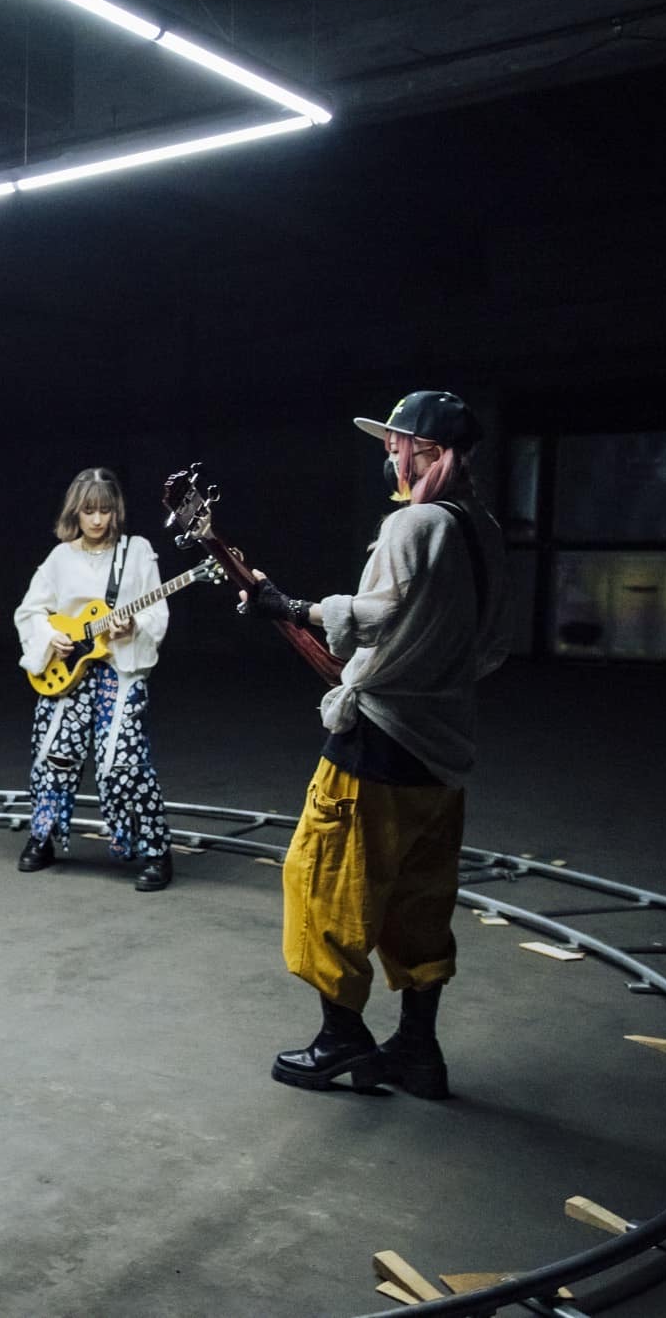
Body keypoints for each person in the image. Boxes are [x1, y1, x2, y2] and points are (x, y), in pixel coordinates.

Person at [242, 391, 507, 1097]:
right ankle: (418, 1049)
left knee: (321, 882)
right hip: (443, 749)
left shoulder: (413, 523)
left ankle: (341, 1039)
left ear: (430, 452)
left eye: (398, 445)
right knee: (420, 898)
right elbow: (489, 643)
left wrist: (289, 607)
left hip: (378, 744)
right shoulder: (481, 526)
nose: (390, 457)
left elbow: (373, 616)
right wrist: (429, 674)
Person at [13, 468, 178, 891]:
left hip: (118, 670)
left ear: (115, 510)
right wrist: (50, 636)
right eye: (89, 511)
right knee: (53, 757)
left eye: (105, 510)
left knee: (123, 762)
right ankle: (43, 837)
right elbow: (30, 611)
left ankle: (156, 852)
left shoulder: (136, 552)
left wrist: (133, 625)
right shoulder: (60, 558)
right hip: (69, 670)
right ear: (76, 512)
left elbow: (156, 612)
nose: (98, 520)